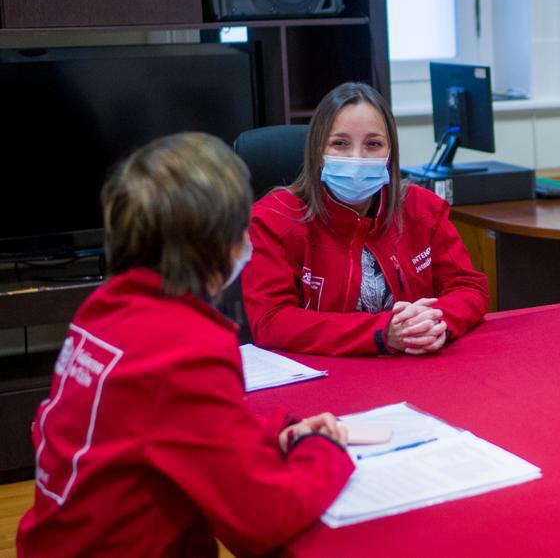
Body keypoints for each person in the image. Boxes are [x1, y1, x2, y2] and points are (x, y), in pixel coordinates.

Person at [17, 133, 353, 556]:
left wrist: (277, 433)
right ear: (216, 243)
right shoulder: (185, 346)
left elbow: (174, 428)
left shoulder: (104, 308)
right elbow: (261, 519)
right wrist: (323, 451)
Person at [243, 82, 489, 356]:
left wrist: (434, 322)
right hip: (325, 376)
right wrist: (383, 333)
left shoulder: (422, 207)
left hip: (415, 367)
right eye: (340, 143)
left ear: (390, 152)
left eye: (373, 144)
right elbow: (271, 321)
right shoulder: (273, 218)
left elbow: (469, 288)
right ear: (317, 152)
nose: (357, 158)